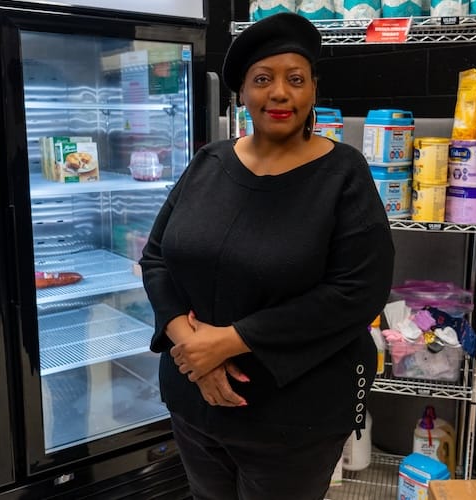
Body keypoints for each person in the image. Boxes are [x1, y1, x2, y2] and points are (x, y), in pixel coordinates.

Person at [139, 12, 395, 500]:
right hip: (194, 403)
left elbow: (358, 291)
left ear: (313, 90)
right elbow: (157, 259)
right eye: (263, 79)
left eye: (295, 79)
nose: (280, 93)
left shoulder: (342, 173)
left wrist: (230, 341)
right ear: (242, 93)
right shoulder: (209, 162)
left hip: (292, 421)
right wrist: (195, 351)